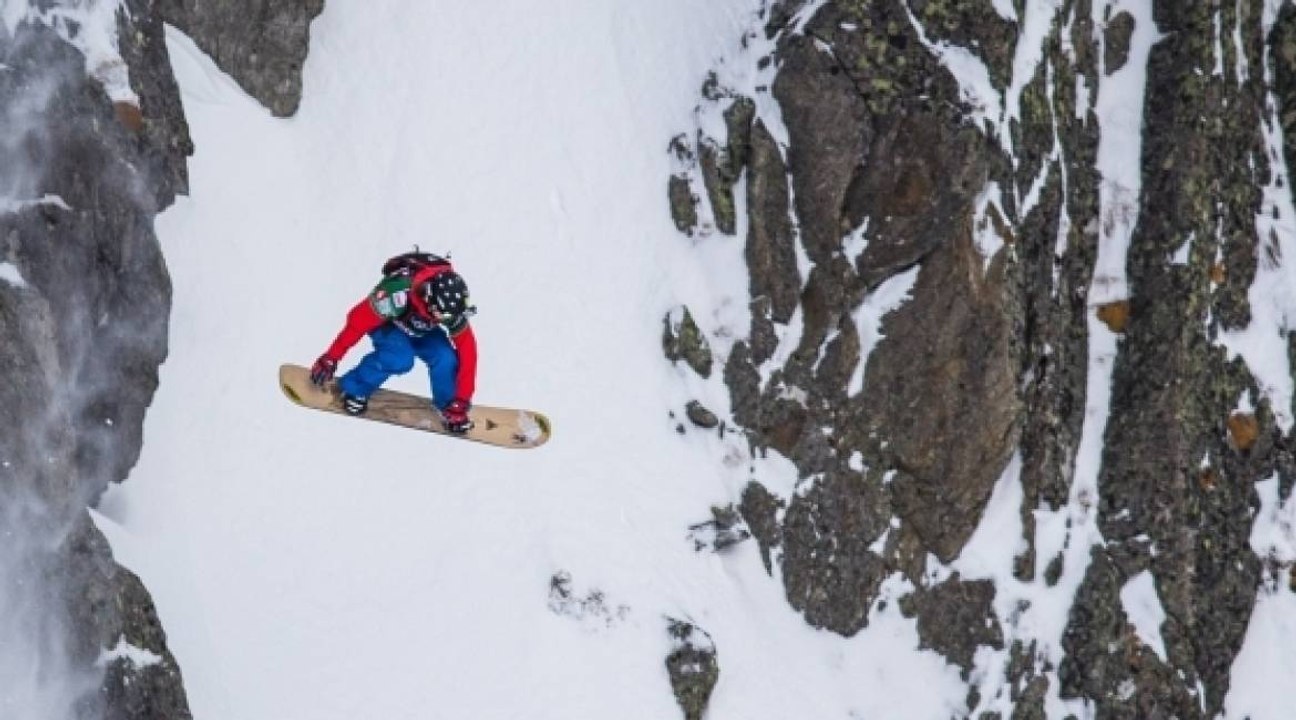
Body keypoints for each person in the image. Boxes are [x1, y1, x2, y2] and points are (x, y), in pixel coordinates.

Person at [309, 251, 478, 433]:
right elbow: (357, 322)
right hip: (388, 324)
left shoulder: (449, 306)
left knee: (445, 357)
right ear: (430, 300)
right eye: (444, 315)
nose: (448, 319)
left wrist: (462, 398)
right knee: (399, 359)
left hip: (422, 327)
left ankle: (448, 407)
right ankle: (354, 388)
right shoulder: (396, 294)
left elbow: (468, 349)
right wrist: (331, 357)